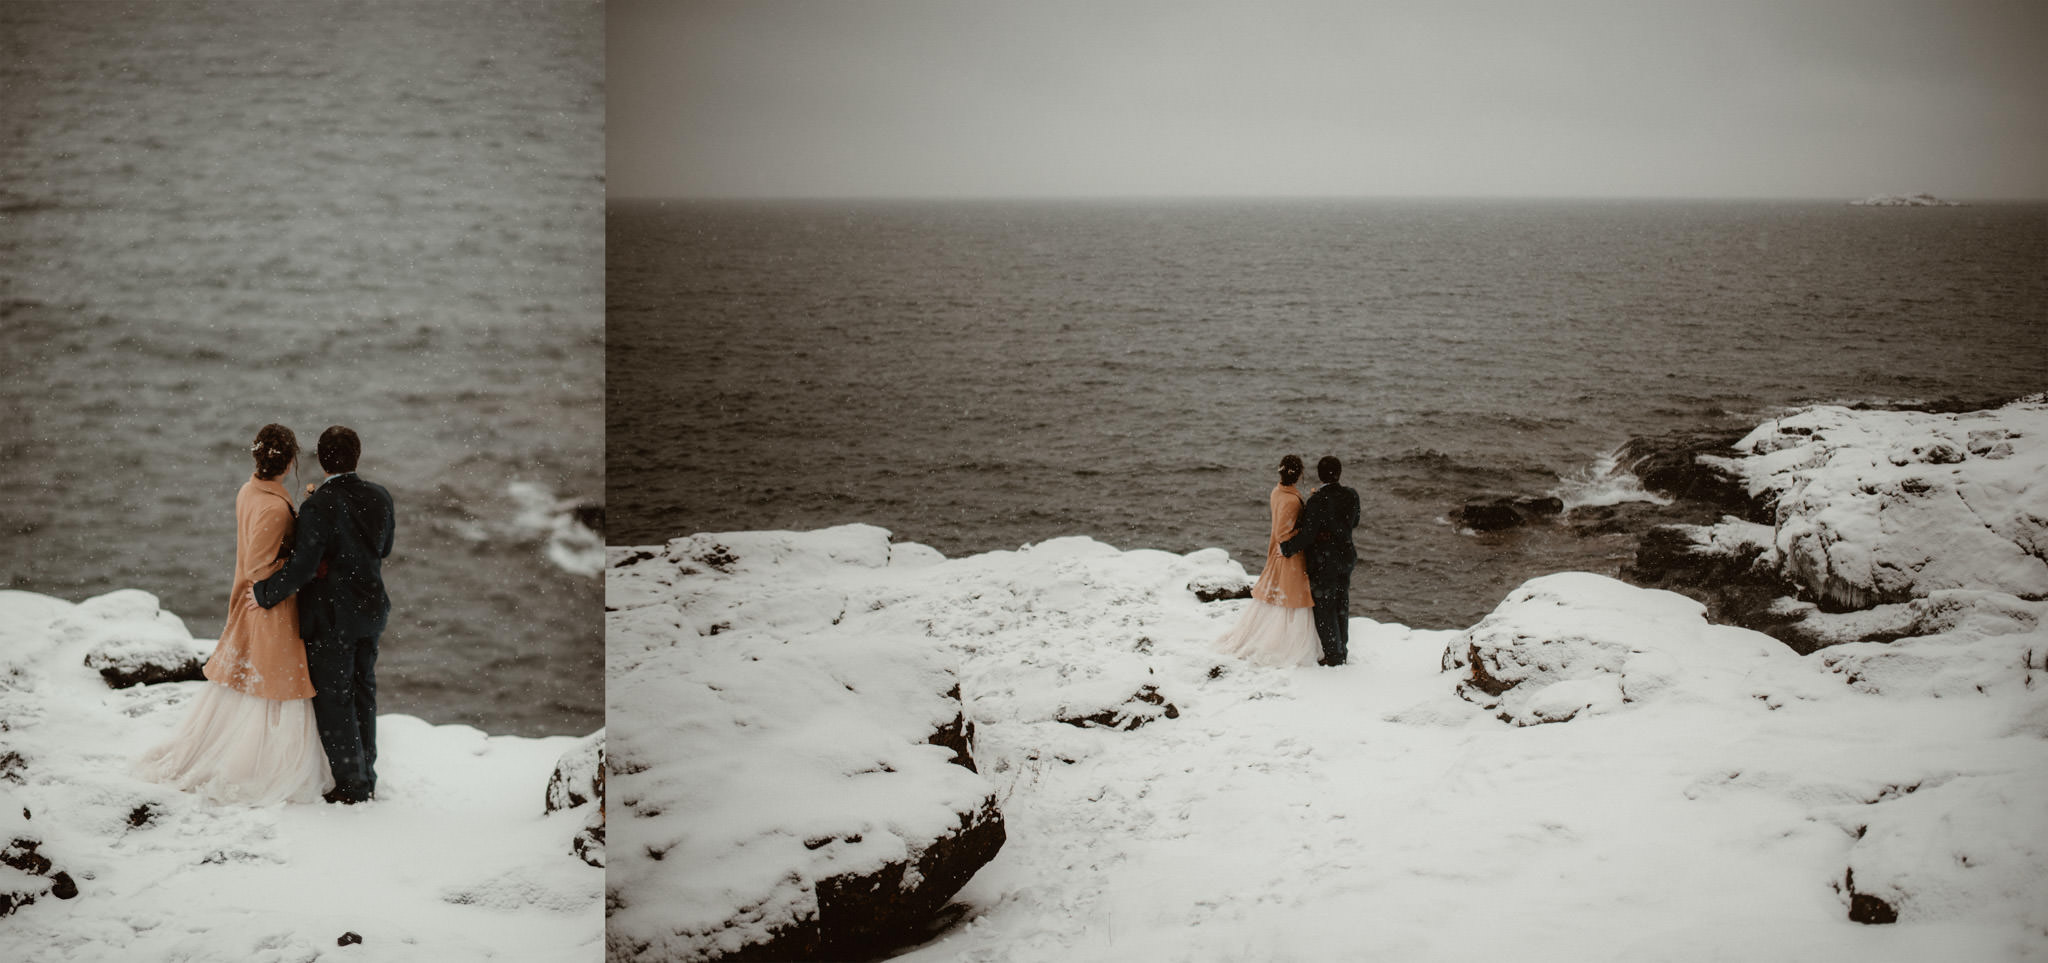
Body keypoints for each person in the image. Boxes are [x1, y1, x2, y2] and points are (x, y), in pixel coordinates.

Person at [136, 425, 335, 805]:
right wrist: (304, 559)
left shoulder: (249, 491)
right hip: (268, 607)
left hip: (251, 599)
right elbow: (261, 567)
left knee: (253, 688)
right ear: (290, 460)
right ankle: (262, 766)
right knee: (275, 687)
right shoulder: (274, 506)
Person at [245, 425, 395, 805]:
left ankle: (352, 785)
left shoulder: (320, 504)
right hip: (371, 610)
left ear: (321, 460)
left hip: (333, 617)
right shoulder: (380, 496)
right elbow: (385, 547)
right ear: (357, 456)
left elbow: (302, 568)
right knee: (364, 691)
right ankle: (367, 774)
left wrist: (264, 593)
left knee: (334, 699)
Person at [1212, 455, 1322, 667]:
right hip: (1288, 556)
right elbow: (1284, 533)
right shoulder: (1290, 499)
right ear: (1298, 474)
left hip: (1277, 552)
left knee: (1278, 599)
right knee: (1292, 600)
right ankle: (1285, 644)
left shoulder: (1278, 492)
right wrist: (1309, 526)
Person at [1282, 455, 1361, 666]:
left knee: (1324, 607)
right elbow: (1354, 522)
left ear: (1319, 475)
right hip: (1346, 557)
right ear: (1339, 473)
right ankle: (1342, 649)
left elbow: (1307, 535)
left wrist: (1287, 548)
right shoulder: (1351, 495)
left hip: (1324, 561)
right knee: (1341, 603)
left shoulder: (1317, 500)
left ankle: (1333, 655)